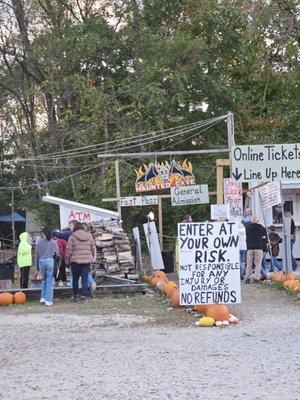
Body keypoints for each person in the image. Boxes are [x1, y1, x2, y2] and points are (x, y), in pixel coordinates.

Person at [65, 221, 95, 300]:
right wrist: (91, 257)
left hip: (75, 261)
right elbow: (93, 249)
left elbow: (69, 251)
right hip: (86, 262)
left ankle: (75, 295)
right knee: (85, 279)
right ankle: (84, 295)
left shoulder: (72, 237)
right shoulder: (89, 236)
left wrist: (67, 261)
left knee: (75, 278)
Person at [36, 227, 59, 306]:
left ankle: (43, 297)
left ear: (43, 233)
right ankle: (48, 300)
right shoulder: (53, 242)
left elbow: (37, 254)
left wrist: (37, 265)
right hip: (50, 261)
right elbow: (57, 253)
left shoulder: (39, 242)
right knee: (50, 281)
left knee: (44, 280)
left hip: (41, 261)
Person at [245, 215, 267, 283]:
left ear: (251, 220)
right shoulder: (261, 227)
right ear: (257, 220)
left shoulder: (247, 227)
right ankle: (256, 278)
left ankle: (247, 278)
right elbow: (265, 237)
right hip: (258, 247)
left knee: (249, 264)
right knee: (258, 264)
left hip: (250, 248)